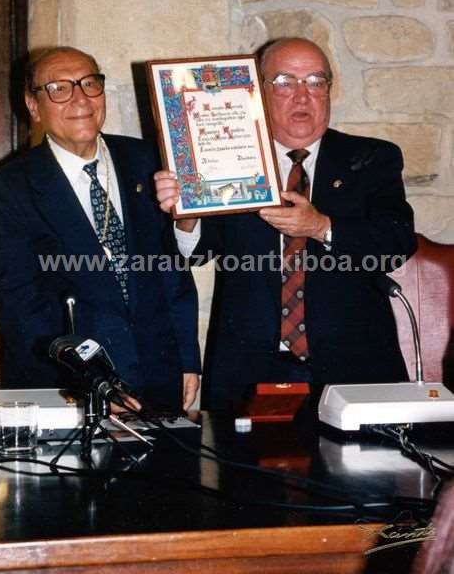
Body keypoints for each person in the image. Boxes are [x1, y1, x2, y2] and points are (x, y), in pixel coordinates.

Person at [154, 37, 417, 410]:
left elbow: (396, 244)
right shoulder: (227, 160)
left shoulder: (371, 158)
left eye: (315, 81)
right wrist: (187, 213)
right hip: (248, 371)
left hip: (353, 369)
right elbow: (196, 253)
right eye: (284, 82)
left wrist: (321, 225)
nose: (301, 95)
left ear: (329, 90)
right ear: (257, 92)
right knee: (241, 470)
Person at [0, 46, 200, 411]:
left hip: (158, 377)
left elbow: (173, 272)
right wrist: (96, 384)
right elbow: (23, 306)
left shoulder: (148, 161)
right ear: (33, 106)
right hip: (69, 392)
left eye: (90, 83)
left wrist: (186, 359)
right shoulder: (10, 188)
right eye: (59, 88)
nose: (80, 99)